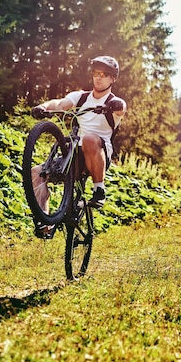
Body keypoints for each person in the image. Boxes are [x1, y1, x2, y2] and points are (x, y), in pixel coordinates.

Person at [30, 56, 126, 236]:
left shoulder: (114, 102)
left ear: (113, 78)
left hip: (99, 154)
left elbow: (121, 109)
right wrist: (43, 107)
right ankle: (45, 222)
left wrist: (116, 106)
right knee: (36, 173)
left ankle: (99, 190)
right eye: (96, 74)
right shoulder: (80, 97)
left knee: (89, 138)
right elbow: (59, 103)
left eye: (104, 75)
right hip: (75, 155)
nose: (99, 77)